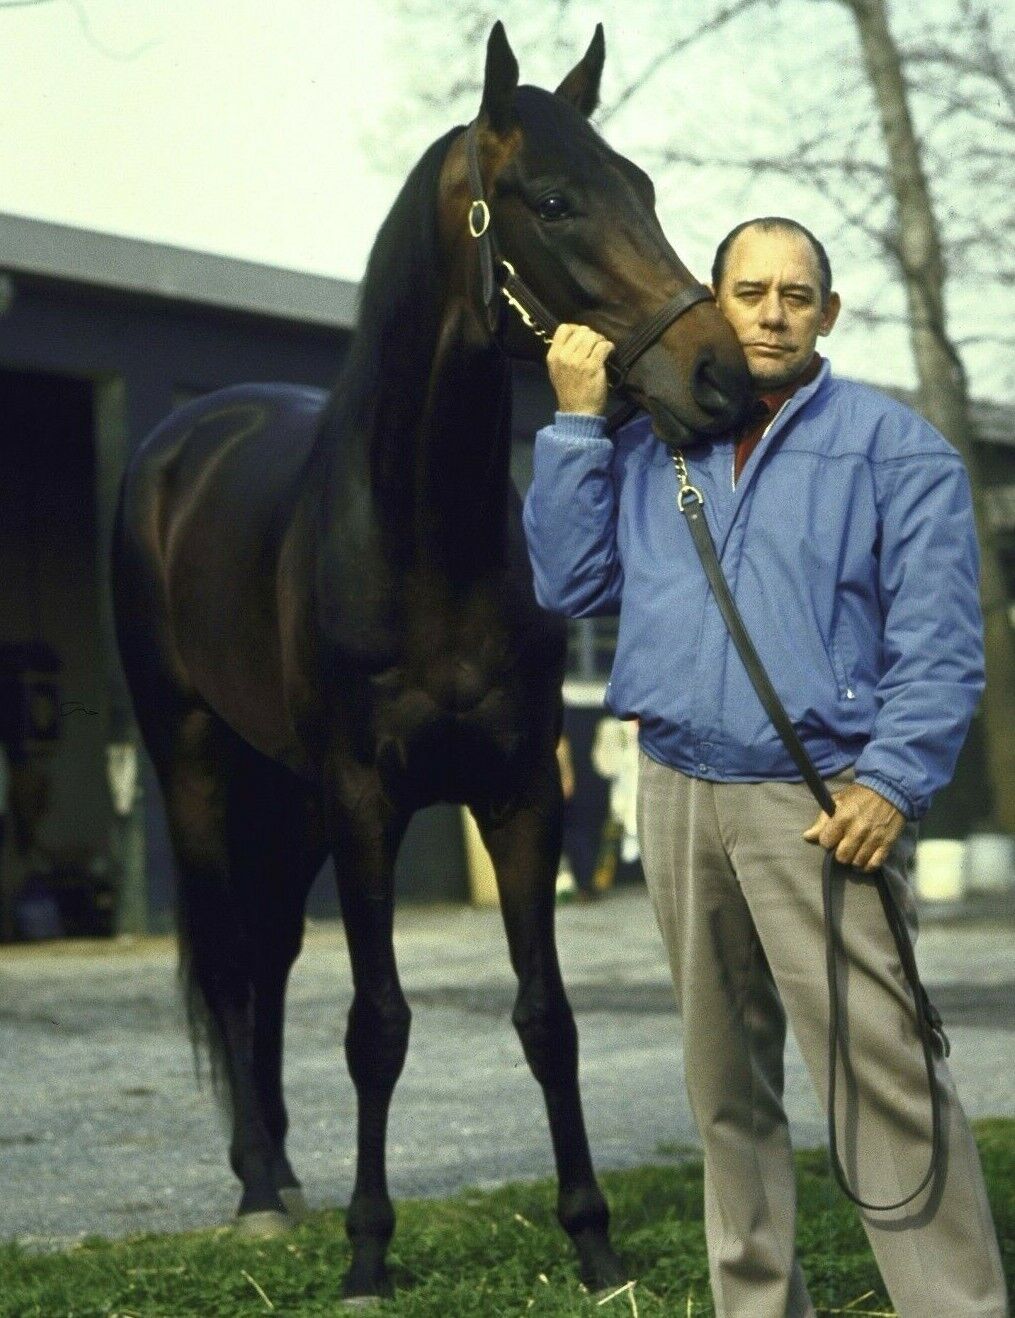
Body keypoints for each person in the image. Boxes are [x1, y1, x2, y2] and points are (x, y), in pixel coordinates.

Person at [522, 217, 1007, 1318]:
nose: (773, 313)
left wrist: (889, 782)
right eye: (751, 292)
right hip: (676, 791)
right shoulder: (654, 445)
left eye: (796, 295)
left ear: (826, 314)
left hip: (821, 809)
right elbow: (568, 583)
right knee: (724, 1093)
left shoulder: (899, 452)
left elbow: (937, 648)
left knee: (881, 1082)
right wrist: (572, 427)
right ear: (714, 301)